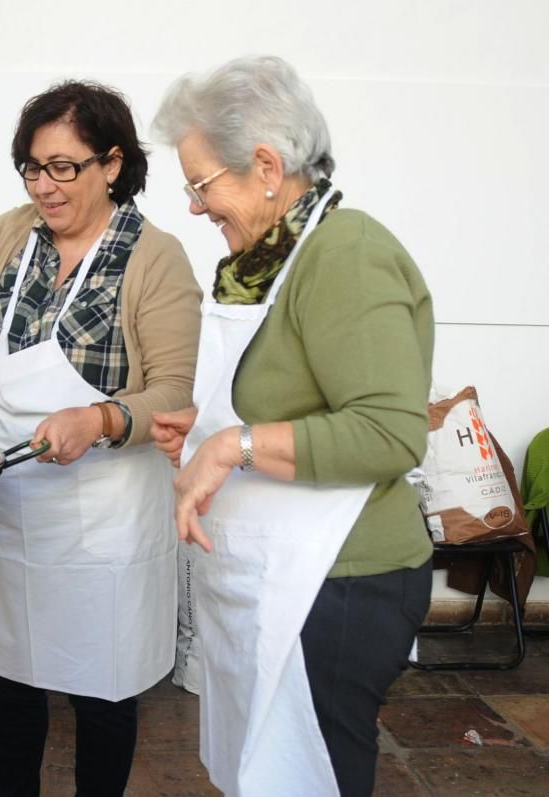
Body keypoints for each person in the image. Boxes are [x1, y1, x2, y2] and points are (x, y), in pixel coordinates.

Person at [0, 80, 201, 796]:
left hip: (106, 519)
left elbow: (173, 393)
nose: (44, 186)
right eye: (31, 165)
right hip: (17, 511)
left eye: (63, 166)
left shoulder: (155, 258)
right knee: (11, 686)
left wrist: (102, 419)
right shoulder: (13, 235)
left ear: (112, 163)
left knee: (101, 694)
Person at [149, 56, 434, 797]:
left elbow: (389, 432)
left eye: (201, 183)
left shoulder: (347, 254)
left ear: (267, 166)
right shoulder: (266, 263)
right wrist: (207, 423)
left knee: (312, 775)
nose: (193, 206)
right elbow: (290, 396)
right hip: (283, 575)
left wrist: (233, 444)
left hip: (345, 581)